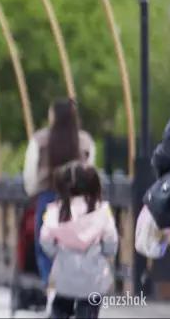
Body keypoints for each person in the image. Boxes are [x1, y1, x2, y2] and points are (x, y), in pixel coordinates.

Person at [23, 98, 95, 289]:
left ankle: (51, 285)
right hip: (77, 200)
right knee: (74, 245)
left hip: (48, 197)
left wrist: (32, 191)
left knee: (45, 245)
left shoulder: (40, 140)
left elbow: (30, 174)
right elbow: (90, 172)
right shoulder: (84, 142)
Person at [40, 163, 117, 319]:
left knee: (60, 308)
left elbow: (45, 239)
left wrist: (55, 253)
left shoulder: (56, 211)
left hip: (63, 276)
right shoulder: (102, 211)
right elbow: (111, 241)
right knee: (89, 311)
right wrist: (105, 254)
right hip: (93, 277)